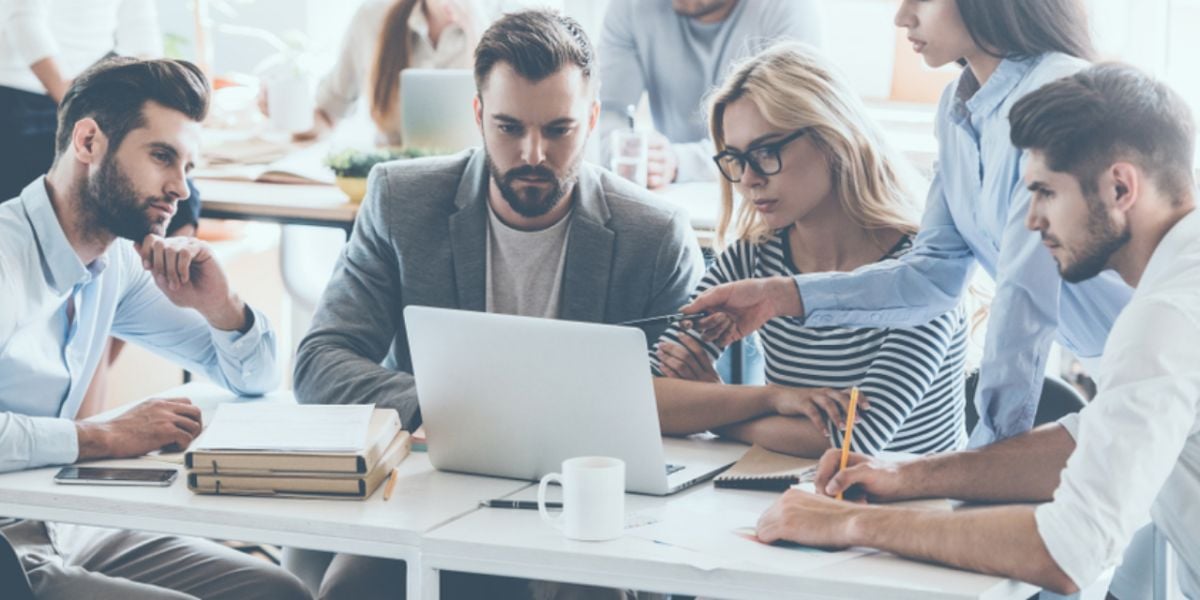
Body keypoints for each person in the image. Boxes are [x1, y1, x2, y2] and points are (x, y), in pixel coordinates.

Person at [292, 10, 702, 598]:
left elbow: (674, 400)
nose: (533, 153)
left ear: (591, 119)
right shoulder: (401, 200)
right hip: (439, 493)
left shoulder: (655, 235)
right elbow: (320, 360)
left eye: (558, 130)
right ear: (479, 114)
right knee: (353, 588)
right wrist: (443, 409)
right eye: (509, 127)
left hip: (592, 510)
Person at [753, 63, 1200, 598]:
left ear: (1121, 187)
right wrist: (904, 476)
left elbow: (1067, 550)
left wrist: (846, 525)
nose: (1032, 222)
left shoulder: (1167, 317)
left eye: (1044, 193)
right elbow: (1090, 442)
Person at [683, 0, 1132, 447]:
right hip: (1118, 372)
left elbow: (1024, 309)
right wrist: (783, 296)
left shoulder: (1054, 93)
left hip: (1151, 360)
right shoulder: (957, 107)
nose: (902, 17)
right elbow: (931, 277)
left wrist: (986, 463)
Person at [0, 57, 306, 600]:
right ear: (89, 141)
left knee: (277, 591)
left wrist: (223, 307)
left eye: (188, 166)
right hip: (8, 545)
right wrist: (101, 437)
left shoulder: (113, 264)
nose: (181, 189)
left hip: (62, 522)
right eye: (163, 157)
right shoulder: (5, 258)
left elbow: (255, 380)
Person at [650, 42, 969, 459]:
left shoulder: (923, 272)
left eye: (766, 152)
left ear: (831, 137)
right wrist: (774, 398)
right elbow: (650, 399)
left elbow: (852, 440)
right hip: (794, 497)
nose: (748, 179)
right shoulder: (753, 259)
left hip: (917, 509)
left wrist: (714, 405)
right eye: (735, 158)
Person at [0, 0, 202, 234]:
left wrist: (160, 98)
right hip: (21, 93)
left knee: (181, 202)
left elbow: (140, 27)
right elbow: (23, 20)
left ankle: (168, 266)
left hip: (92, 87)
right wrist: (75, 100)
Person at [597, 0, 822, 188]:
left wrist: (680, 162)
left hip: (763, 190)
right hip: (673, 194)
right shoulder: (628, 7)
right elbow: (605, 112)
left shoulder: (789, 8)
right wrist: (636, 153)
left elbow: (790, 135)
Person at [289, 0, 484, 144]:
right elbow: (327, 114)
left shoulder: (497, 19)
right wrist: (287, 113)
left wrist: (474, 28)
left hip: (471, 183)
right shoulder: (372, 18)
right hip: (391, 183)